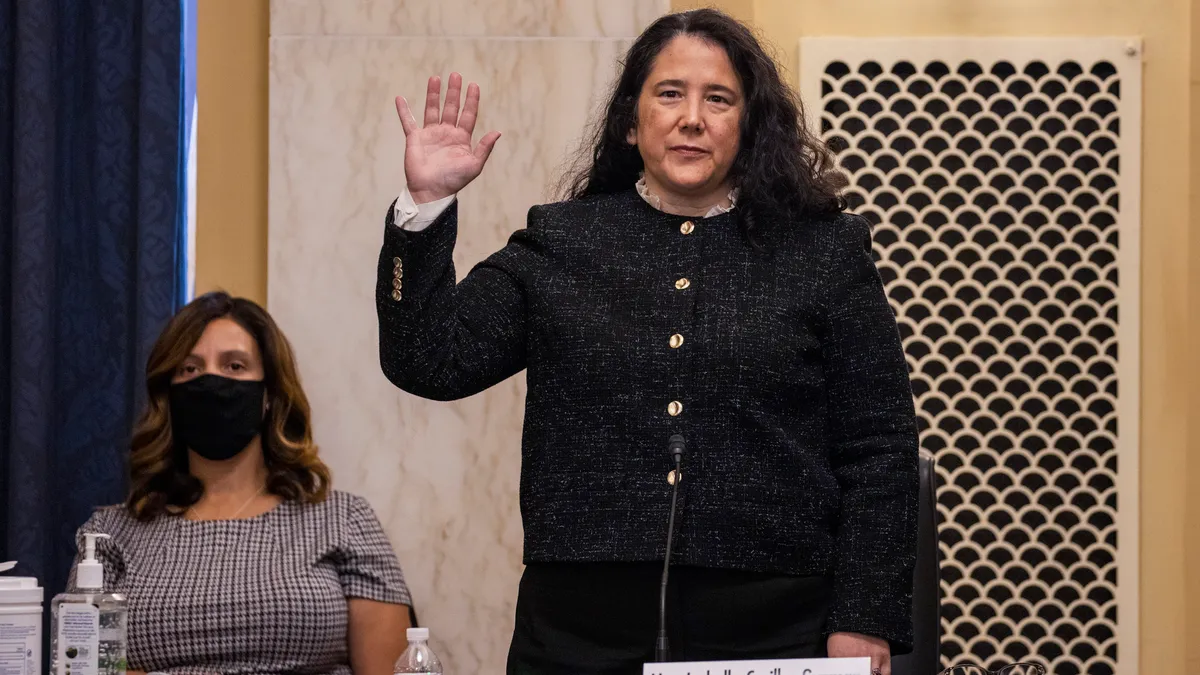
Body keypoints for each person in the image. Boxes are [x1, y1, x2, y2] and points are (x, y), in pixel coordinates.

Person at [378, 8, 918, 675]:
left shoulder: (823, 251)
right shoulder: (563, 241)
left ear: (749, 125)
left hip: (774, 627)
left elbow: (879, 449)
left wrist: (864, 616)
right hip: (579, 630)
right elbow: (429, 359)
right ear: (632, 122)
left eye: (718, 98)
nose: (692, 117)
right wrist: (425, 205)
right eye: (669, 93)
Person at [69, 291, 413, 675]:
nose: (211, 380)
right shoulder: (107, 537)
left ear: (269, 396)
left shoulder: (345, 520)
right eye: (190, 369)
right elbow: (83, 665)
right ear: (170, 395)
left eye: (234, 366)